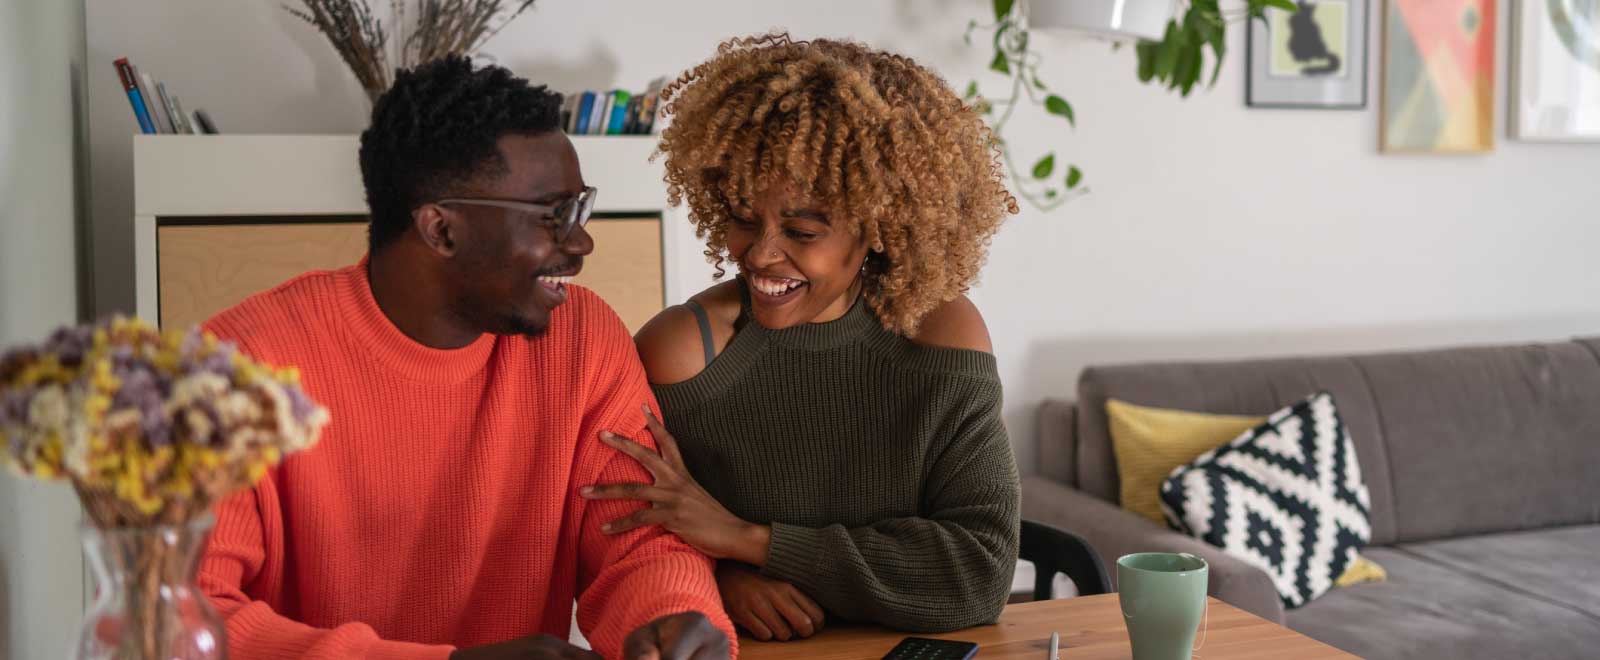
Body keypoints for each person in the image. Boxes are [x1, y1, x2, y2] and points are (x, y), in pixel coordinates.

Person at [198, 56, 733, 660]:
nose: (581, 242)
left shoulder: (582, 339)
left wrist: (672, 617)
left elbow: (639, 540)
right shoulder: (238, 369)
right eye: (554, 216)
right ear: (441, 230)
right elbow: (184, 621)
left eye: (580, 209)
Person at [580, 34, 1022, 641]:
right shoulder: (687, 353)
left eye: (802, 230)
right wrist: (720, 582)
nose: (759, 254)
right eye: (742, 217)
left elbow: (978, 574)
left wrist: (750, 543)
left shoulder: (939, 337)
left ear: (879, 227)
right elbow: (622, 538)